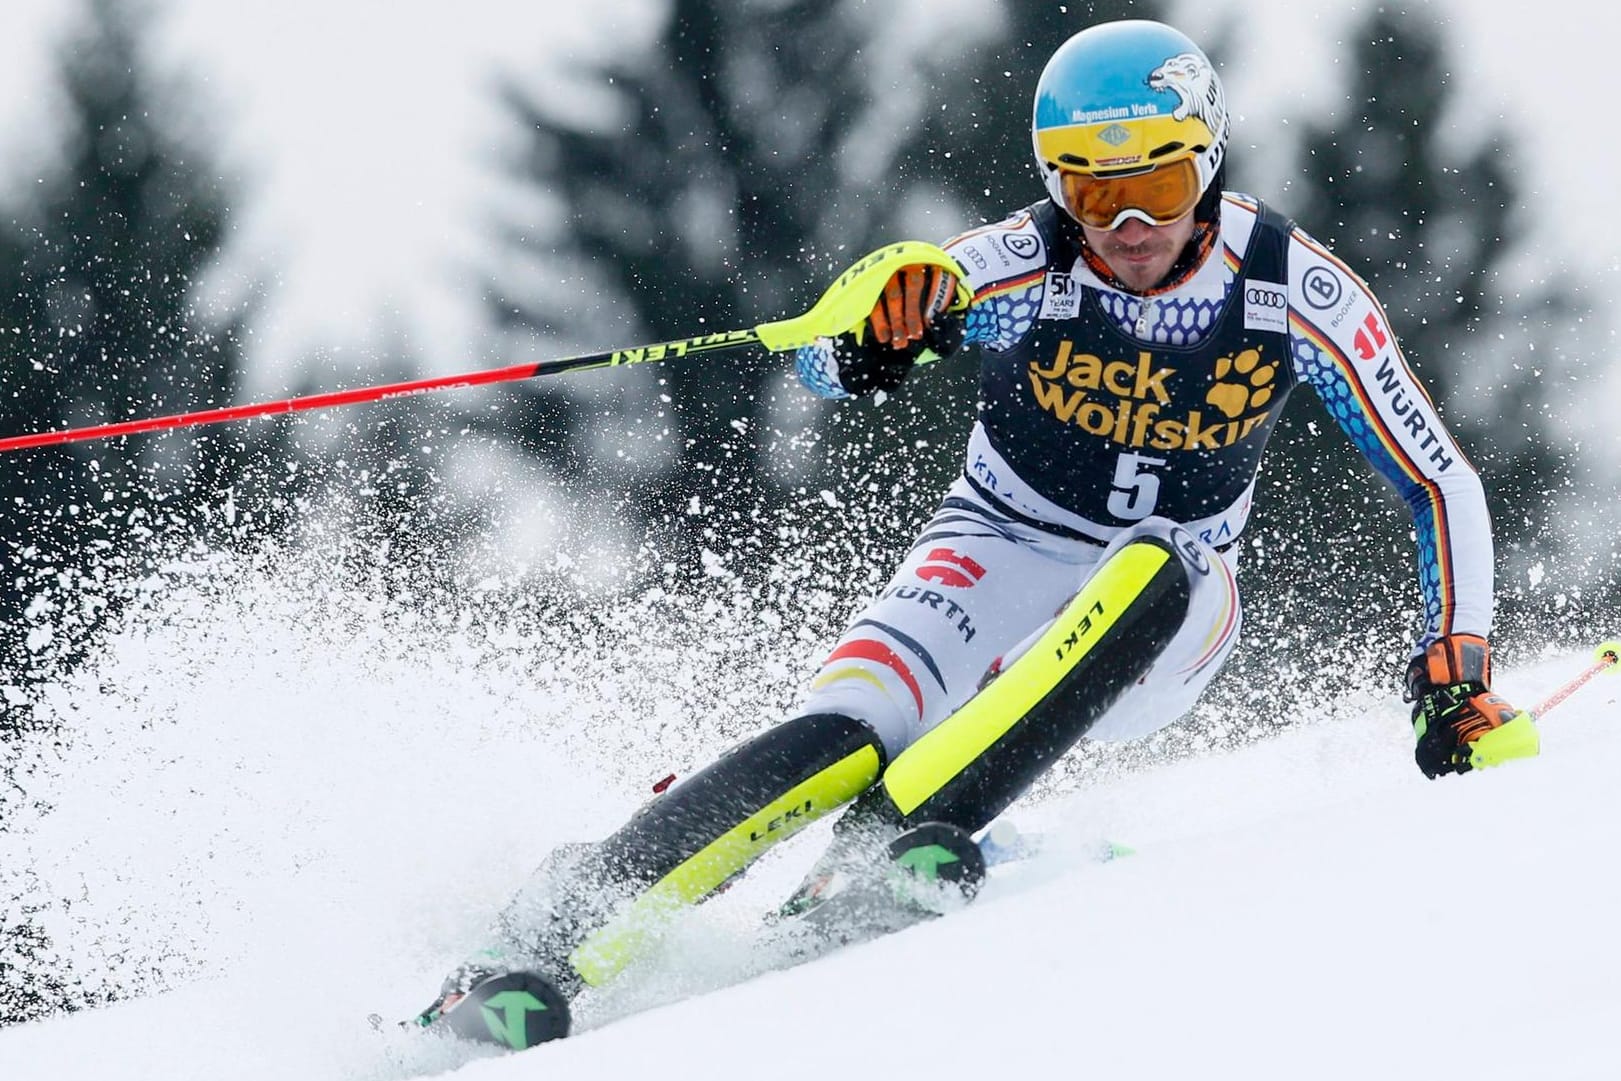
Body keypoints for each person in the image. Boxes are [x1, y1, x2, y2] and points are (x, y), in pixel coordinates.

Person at [414, 18, 1538, 1049]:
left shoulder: (1296, 291)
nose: (1131, 226)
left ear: (1210, 160)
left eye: (1157, 180)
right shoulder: (1024, 264)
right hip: (996, 540)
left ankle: (906, 832)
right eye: (1095, 196)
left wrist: (1454, 674)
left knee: (1158, 558)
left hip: (1174, 603)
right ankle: (536, 942)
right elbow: (859, 324)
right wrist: (877, 335)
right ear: (1056, 190)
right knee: (846, 727)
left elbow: (1436, 480)